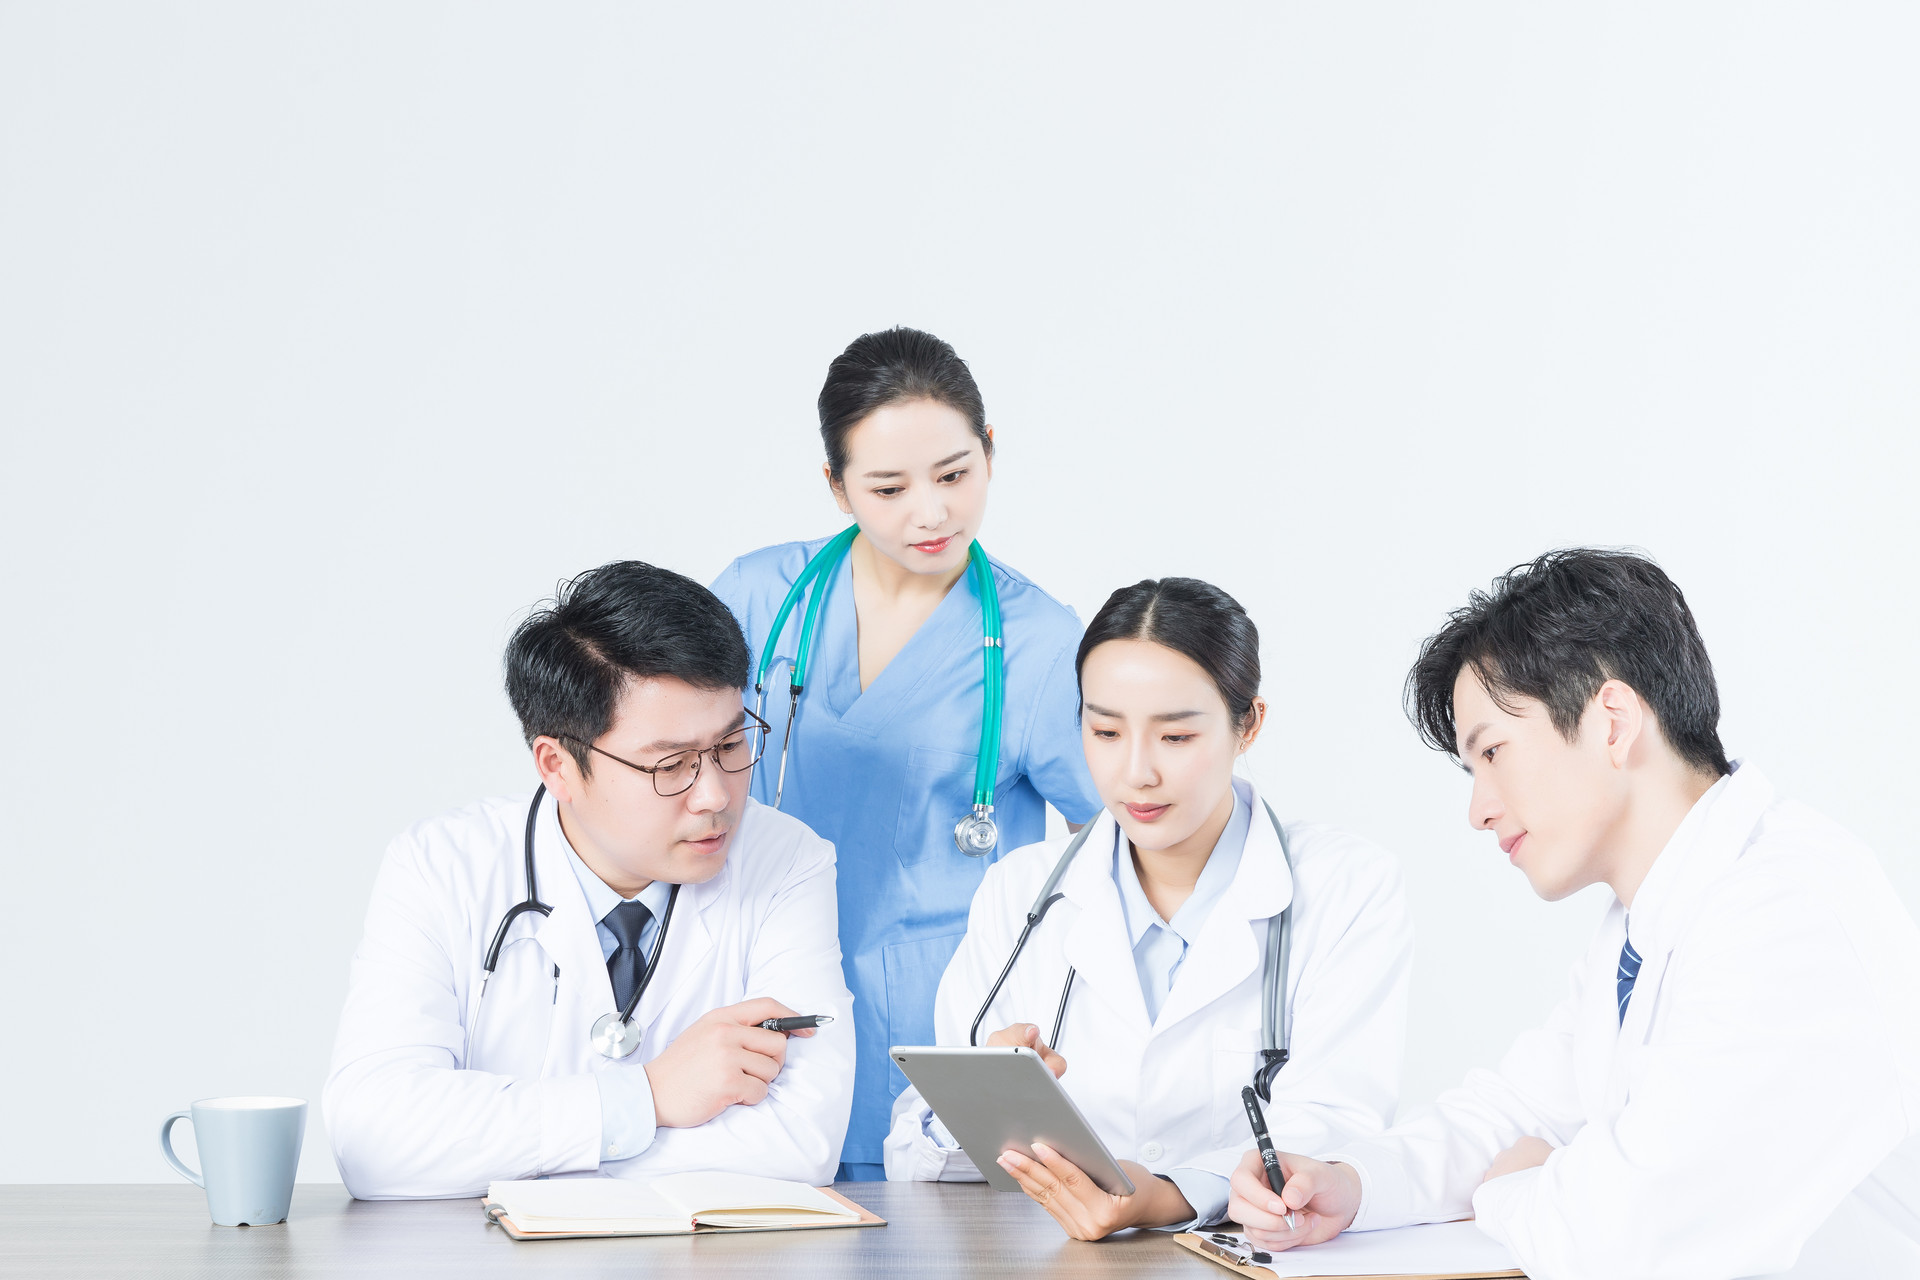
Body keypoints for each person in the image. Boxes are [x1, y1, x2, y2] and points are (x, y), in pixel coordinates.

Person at [1227, 548, 1920, 1279]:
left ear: (1612, 722)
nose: (1478, 810)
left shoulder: (1787, 912)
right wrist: (1351, 1183)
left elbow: (1629, 1236)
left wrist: (1511, 1188)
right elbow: (1518, 1112)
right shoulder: (1646, 921)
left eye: (1494, 752)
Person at [887, 577, 1415, 1240]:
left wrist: (1163, 1195)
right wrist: (984, 1099)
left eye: (1176, 737)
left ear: (1248, 724)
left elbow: (1335, 1128)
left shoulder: (1346, 886)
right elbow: (915, 1148)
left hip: (1250, 1260)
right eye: (1106, 731)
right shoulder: (1020, 892)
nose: (1136, 772)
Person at [324, 561, 855, 1198]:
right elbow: (374, 1140)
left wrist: (503, 1153)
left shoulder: (787, 861)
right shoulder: (441, 867)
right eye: (671, 765)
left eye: (731, 745)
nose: (716, 795)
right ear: (558, 766)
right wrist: (646, 1097)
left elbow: (802, 1143)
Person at [712, 326, 1103, 1180]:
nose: (930, 512)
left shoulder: (1038, 643)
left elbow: (1118, 844)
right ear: (836, 486)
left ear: (990, 450)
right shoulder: (755, 597)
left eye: (955, 475)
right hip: (752, 1000)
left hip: (936, 1028)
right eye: (888, 488)